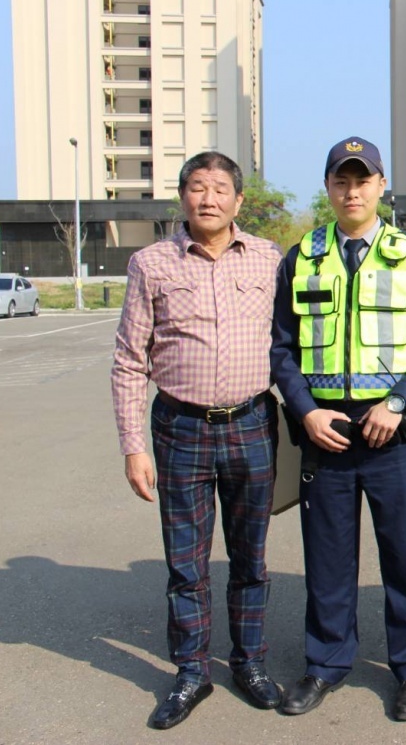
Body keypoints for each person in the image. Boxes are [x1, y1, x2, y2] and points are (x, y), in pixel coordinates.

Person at [270, 136, 406, 721]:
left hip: (391, 432)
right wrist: (305, 409)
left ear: (381, 186)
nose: (352, 191)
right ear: (328, 188)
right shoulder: (301, 258)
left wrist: (397, 403)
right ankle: (325, 664)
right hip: (326, 432)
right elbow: (281, 348)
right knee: (328, 559)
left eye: (362, 180)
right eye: (340, 181)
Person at [110, 151, 284, 729]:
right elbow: (130, 361)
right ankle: (190, 672)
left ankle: (249, 662)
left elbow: (287, 344)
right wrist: (133, 444)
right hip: (180, 428)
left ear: (238, 199)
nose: (207, 198)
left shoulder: (266, 258)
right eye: (196, 187)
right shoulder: (150, 264)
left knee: (250, 559)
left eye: (219, 188)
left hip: (252, 424)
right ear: (182, 196)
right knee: (186, 565)